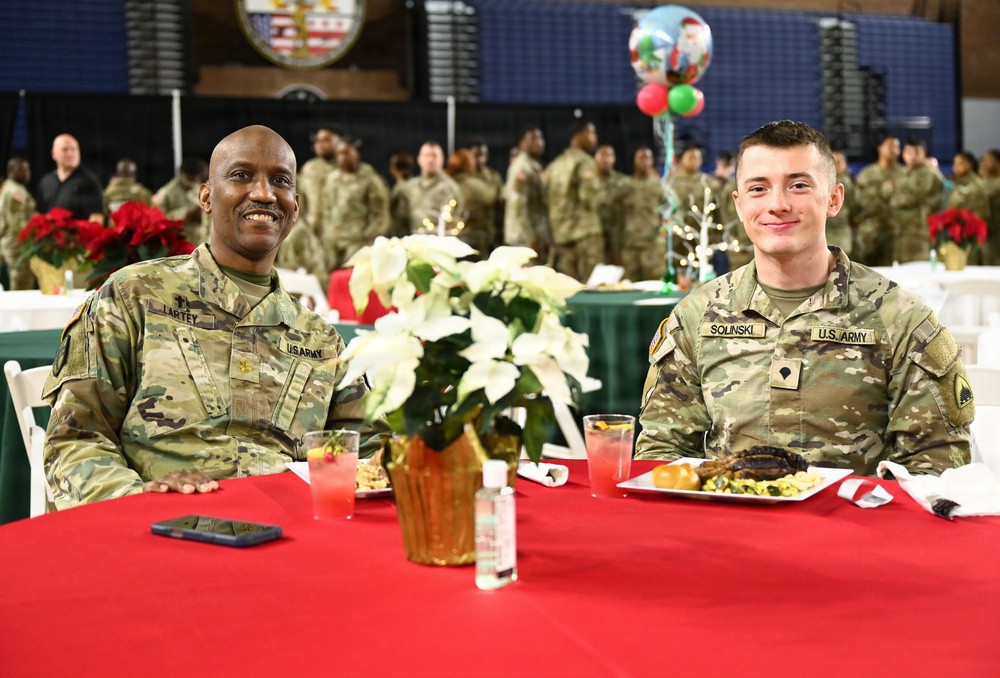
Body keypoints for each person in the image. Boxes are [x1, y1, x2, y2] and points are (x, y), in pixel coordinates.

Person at [42, 125, 387, 508]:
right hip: (162, 536)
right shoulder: (132, 296)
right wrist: (138, 502)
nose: (263, 193)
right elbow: (75, 441)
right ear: (205, 197)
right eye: (241, 176)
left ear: (296, 206)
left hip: (290, 541)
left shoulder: (321, 342)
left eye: (280, 180)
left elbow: (373, 458)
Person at [636, 120, 972, 477]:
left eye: (798, 185)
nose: (777, 204)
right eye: (758, 189)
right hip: (729, 523)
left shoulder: (900, 318)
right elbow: (661, 452)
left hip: (854, 525)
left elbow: (939, 464)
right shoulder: (697, 315)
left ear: (834, 199)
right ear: (738, 205)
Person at [544, 120, 604, 282]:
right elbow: (590, 198)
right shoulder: (585, 162)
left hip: (561, 236)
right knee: (593, 286)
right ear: (579, 135)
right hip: (585, 234)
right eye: (591, 133)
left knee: (569, 288)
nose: (595, 138)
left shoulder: (556, 164)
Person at [321, 136, 391, 269]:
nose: (342, 157)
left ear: (357, 154)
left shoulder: (370, 180)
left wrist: (366, 238)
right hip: (332, 242)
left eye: (346, 153)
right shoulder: (332, 178)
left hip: (356, 243)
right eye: (339, 153)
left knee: (350, 280)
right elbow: (326, 209)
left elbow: (381, 215)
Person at [890, 138, 944, 263]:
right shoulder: (904, 173)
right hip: (902, 231)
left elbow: (913, 197)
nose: (912, 156)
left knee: (917, 269)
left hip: (918, 232)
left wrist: (893, 197)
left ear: (924, 154)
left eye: (917, 152)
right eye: (909, 152)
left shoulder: (927, 173)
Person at [392, 141, 462, 236]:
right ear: (419, 159)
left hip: (438, 244)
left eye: (434, 156)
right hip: (411, 242)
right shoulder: (409, 188)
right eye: (426, 155)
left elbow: (454, 223)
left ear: (442, 160)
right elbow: (399, 219)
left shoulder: (450, 189)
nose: (430, 160)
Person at [853, 136, 902, 266]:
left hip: (896, 233)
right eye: (890, 146)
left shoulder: (904, 174)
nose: (894, 150)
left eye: (897, 147)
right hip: (870, 233)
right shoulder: (867, 174)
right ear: (880, 148)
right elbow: (858, 203)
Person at [503, 126, 550, 261]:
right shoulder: (522, 167)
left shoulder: (533, 166)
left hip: (534, 237)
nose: (539, 142)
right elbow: (518, 207)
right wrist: (531, 240)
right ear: (522, 143)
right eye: (533, 138)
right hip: (524, 241)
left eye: (540, 138)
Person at [621, 147, 665, 281]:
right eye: (641, 158)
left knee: (656, 285)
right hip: (629, 245)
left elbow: (673, 208)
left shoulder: (658, 186)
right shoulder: (625, 185)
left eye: (648, 158)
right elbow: (615, 215)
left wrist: (663, 234)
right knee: (628, 286)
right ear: (634, 161)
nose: (645, 162)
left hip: (652, 245)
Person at [36, 133, 103, 220]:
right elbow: (39, 215)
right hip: (51, 232)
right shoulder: (46, 181)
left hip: (77, 233)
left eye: (74, 149)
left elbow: (96, 218)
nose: (70, 153)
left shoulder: (90, 181)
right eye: (65, 150)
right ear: (53, 154)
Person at [445, 148, 497, 258]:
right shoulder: (478, 186)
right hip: (476, 242)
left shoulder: (445, 185)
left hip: (449, 243)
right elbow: (492, 199)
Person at [152, 157, 209, 245]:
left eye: (195, 180)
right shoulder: (165, 193)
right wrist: (187, 214)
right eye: (189, 179)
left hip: (201, 242)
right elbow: (158, 219)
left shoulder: (200, 190)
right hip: (179, 244)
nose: (192, 183)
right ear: (181, 174)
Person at [297, 125, 341, 238]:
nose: (320, 144)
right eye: (317, 141)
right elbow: (300, 197)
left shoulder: (347, 169)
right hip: (312, 233)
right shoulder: (309, 168)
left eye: (326, 140)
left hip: (341, 234)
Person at [0, 158, 36, 290]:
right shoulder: (16, 192)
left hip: (9, 241)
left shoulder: (8, 187)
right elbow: (17, 224)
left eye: (27, 169)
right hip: (17, 243)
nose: (25, 172)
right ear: (10, 171)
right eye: (21, 169)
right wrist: (31, 240)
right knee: (22, 282)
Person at [593, 145, 628, 266]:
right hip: (593, 237)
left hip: (617, 238)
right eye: (603, 155)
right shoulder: (588, 181)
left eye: (610, 155)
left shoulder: (622, 182)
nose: (606, 159)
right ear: (595, 158)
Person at [824, 150, 856, 255]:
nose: (835, 165)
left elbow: (854, 205)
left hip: (841, 231)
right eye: (833, 162)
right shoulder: (821, 182)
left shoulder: (848, 182)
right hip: (825, 230)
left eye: (839, 162)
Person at [979, 148, 1000, 265]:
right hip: (984, 237)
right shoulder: (984, 182)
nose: (984, 163)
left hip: (995, 237)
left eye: (989, 160)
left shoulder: (997, 184)